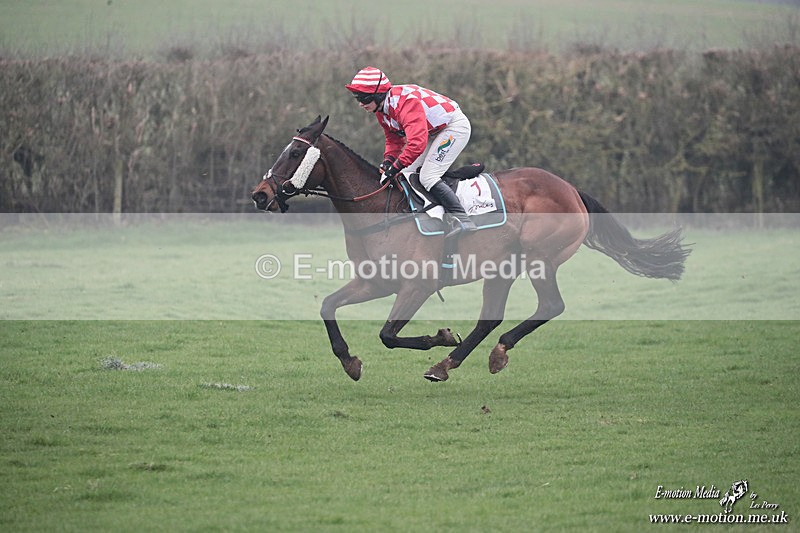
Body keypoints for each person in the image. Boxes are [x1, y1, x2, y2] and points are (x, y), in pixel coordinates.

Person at [346, 66, 477, 231]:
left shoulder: (405, 103)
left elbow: (416, 143)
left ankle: (463, 220)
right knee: (406, 175)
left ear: (378, 95)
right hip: (432, 132)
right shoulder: (381, 110)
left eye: (364, 98)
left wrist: (396, 166)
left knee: (428, 177)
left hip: (453, 127)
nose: (360, 104)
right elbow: (394, 139)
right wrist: (388, 161)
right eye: (357, 98)